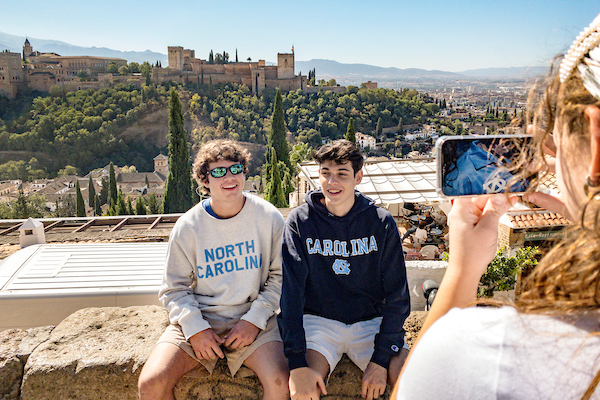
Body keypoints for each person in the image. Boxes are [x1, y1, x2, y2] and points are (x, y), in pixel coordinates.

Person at [395, 12, 600, 399]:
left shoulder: (493, 355)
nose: (551, 156)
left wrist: (464, 268)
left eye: (556, 140)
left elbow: (416, 384)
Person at [138, 139, 289, 400]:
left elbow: (280, 278)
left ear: (244, 172)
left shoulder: (269, 217)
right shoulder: (188, 226)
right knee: (151, 384)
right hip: (201, 316)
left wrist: (253, 321)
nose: (228, 178)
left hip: (253, 316)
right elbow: (174, 289)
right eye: (218, 172)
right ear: (204, 179)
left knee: (280, 383)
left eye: (235, 169)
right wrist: (195, 328)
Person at [278, 139, 411, 400]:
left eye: (342, 174)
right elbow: (291, 293)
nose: (332, 182)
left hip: (371, 322)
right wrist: (296, 362)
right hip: (319, 323)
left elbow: (398, 295)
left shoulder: (381, 223)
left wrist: (381, 359)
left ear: (358, 177)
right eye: (325, 173)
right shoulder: (300, 221)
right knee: (304, 392)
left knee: (415, 380)